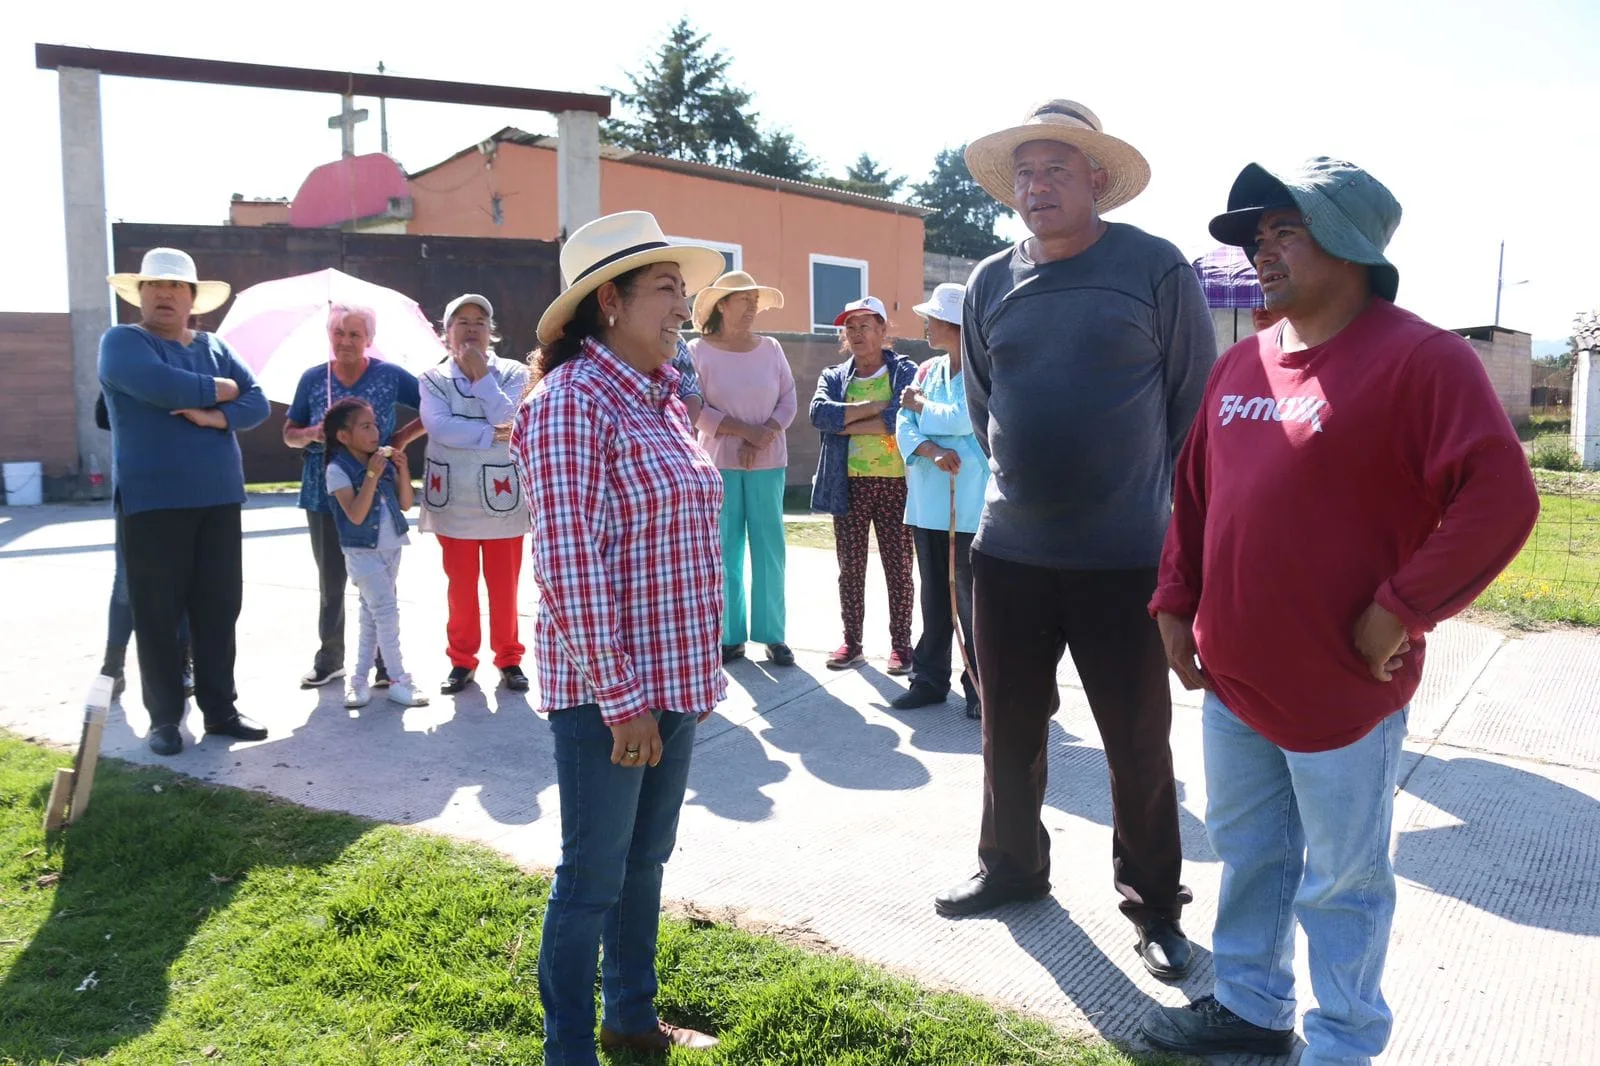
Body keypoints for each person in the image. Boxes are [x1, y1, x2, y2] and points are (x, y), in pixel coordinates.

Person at [1140, 159, 1540, 1063]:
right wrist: (1175, 600)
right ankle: (1250, 1010)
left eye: (1284, 231)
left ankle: (1344, 1043)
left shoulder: (1422, 357)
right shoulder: (1243, 358)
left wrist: (1402, 608)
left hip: (1342, 687)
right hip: (1235, 675)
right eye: (1255, 237)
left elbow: (1501, 497)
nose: (1260, 252)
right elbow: (1196, 491)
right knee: (1250, 858)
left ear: (1351, 245)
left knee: (1343, 883)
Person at [933, 101, 1216, 986]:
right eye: (1024, 173)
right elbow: (983, 407)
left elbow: (1190, 404)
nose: (1036, 187)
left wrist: (1140, 500)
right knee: (1007, 728)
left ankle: (1156, 908)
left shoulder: (1154, 268)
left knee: (1138, 741)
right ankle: (1012, 868)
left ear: (1097, 179)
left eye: (1055, 170)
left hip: (1127, 556)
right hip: (1011, 552)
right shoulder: (988, 280)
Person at [510, 210, 726, 1065]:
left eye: (682, 287)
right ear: (610, 301)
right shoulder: (569, 403)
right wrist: (623, 700)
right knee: (593, 877)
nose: (685, 305)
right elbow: (567, 566)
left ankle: (631, 1018)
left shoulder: (663, 397)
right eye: (668, 289)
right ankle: (570, 1048)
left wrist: (680, 684)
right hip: (612, 696)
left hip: (672, 682)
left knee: (645, 863)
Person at [98, 247, 272, 756]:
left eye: (176, 287)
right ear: (140, 295)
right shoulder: (122, 341)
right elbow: (156, 384)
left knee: (219, 607)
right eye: (155, 286)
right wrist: (219, 389)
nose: (166, 294)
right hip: (151, 502)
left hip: (218, 498)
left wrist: (216, 416)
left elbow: (257, 401)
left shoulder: (215, 345)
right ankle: (165, 720)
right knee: (156, 612)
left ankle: (220, 711)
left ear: (193, 298)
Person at [284, 304, 425, 690]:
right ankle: (330, 658)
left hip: (379, 494)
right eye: (338, 333)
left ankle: (384, 661)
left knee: (380, 579)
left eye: (354, 334)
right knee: (331, 579)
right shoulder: (313, 379)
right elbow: (288, 431)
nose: (345, 341)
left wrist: (399, 438)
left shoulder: (390, 375)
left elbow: (433, 406)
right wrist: (311, 432)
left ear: (369, 340)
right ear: (329, 337)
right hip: (322, 491)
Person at [418, 294, 532, 695]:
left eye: (479, 321)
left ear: (491, 331)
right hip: (455, 500)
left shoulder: (515, 372)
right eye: (461, 321)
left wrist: (482, 378)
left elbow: (511, 418)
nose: (471, 328)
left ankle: (510, 659)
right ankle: (461, 660)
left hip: (502, 500)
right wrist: (491, 435)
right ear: (446, 333)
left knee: (505, 586)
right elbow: (439, 427)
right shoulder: (432, 379)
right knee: (460, 588)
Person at [688, 270, 798, 668]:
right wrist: (743, 432)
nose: (752, 307)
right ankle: (728, 636)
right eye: (744, 300)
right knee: (723, 547)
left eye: (755, 301)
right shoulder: (697, 350)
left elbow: (788, 399)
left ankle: (773, 635)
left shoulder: (771, 348)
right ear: (722, 305)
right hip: (718, 463)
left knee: (770, 547)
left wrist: (763, 434)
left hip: (769, 460)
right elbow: (694, 407)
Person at [807, 296, 920, 673]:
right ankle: (852, 643)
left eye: (865, 326)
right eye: (850, 328)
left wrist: (848, 423)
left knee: (899, 568)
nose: (856, 334)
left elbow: (899, 418)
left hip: (896, 484)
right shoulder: (835, 377)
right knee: (850, 567)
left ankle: (901, 647)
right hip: (848, 484)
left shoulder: (906, 370)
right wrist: (876, 407)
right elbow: (819, 415)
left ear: (883, 331)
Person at [892, 283, 987, 720]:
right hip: (928, 501)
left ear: (953, 324)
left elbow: (965, 421)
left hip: (967, 503)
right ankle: (929, 679)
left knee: (968, 598)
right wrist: (932, 449)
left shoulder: (982, 369)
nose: (926, 324)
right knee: (933, 595)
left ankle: (980, 685)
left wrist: (924, 410)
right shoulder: (927, 369)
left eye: (933, 318)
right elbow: (903, 421)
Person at [320, 398, 429, 709]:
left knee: (371, 615)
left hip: (392, 546)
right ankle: (398, 679)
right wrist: (369, 475)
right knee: (386, 613)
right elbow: (355, 514)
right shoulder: (337, 470)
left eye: (375, 425)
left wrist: (403, 471)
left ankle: (357, 682)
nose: (375, 432)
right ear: (343, 436)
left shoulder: (379, 464)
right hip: (361, 552)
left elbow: (406, 504)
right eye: (365, 426)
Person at [94, 392, 192, 700]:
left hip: (188, 489)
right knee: (127, 580)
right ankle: (113, 666)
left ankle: (181, 663)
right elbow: (102, 414)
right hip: (137, 488)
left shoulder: (197, 360)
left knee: (184, 581)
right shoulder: (129, 354)